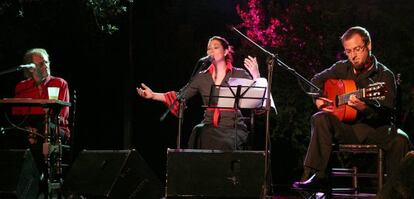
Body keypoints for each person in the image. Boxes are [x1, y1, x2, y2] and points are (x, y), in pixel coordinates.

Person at [292, 26, 413, 189]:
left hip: (375, 130)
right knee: (319, 118)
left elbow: (387, 113)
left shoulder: (384, 76)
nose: (353, 56)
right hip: (348, 128)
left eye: (357, 49)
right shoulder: (341, 68)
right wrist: (318, 100)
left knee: (401, 139)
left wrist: (364, 108)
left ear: (368, 45)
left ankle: (395, 190)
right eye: (348, 51)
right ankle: (317, 177)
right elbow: (314, 82)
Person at [137, 36, 262, 150]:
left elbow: (257, 97)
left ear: (225, 51)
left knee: (226, 143)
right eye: (209, 49)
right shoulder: (202, 77)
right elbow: (180, 96)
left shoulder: (239, 73)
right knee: (197, 133)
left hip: (233, 127)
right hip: (209, 125)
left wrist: (256, 75)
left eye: (216, 47)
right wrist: (153, 95)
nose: (211, 50)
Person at [11, 48, 70, 197]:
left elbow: (62, 117)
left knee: (40, 138)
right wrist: (29, 129)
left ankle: (34, 187)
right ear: (31, 69)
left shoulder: (59, 83)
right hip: (29, 131)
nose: (46, 66)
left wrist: (37, 129)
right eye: (41, 64)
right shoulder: (22, 87)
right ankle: (40, 180)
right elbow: (17, 115)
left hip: (55, 130)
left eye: (46, 62)